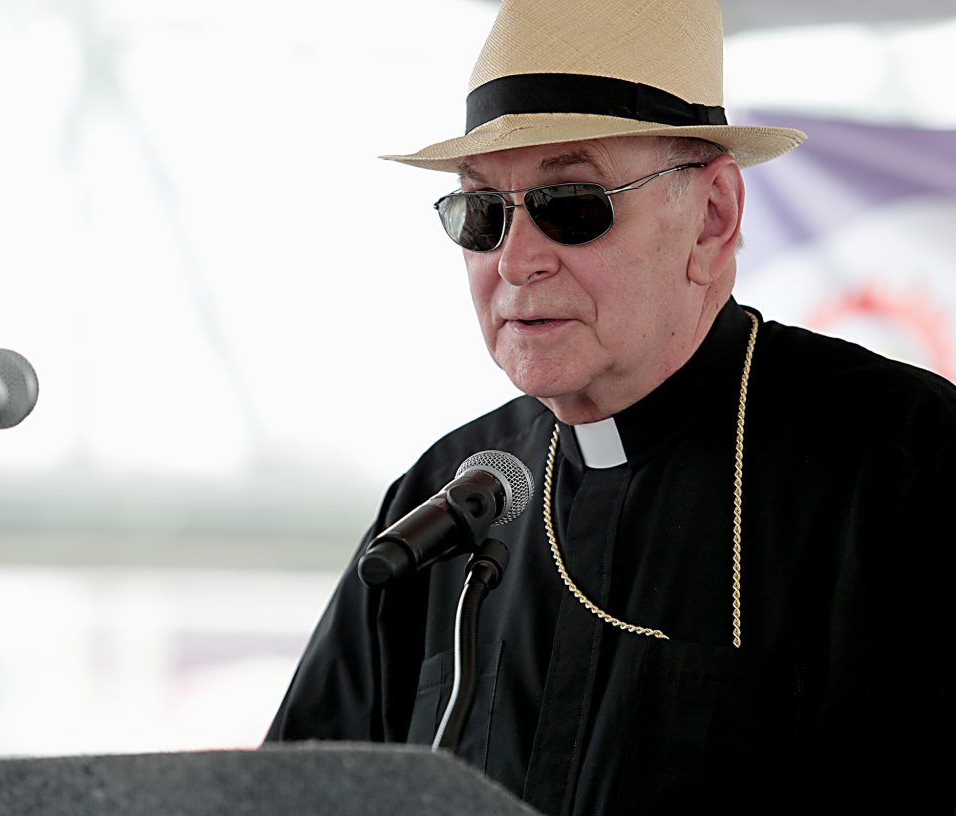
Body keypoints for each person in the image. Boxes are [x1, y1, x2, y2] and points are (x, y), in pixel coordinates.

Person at [266, 1, 955, 813]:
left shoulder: (909, 465)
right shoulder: (445, 500)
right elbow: (290, 794)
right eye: (480, 214)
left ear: (712, 218)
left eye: (570, 204)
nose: (516, 261)